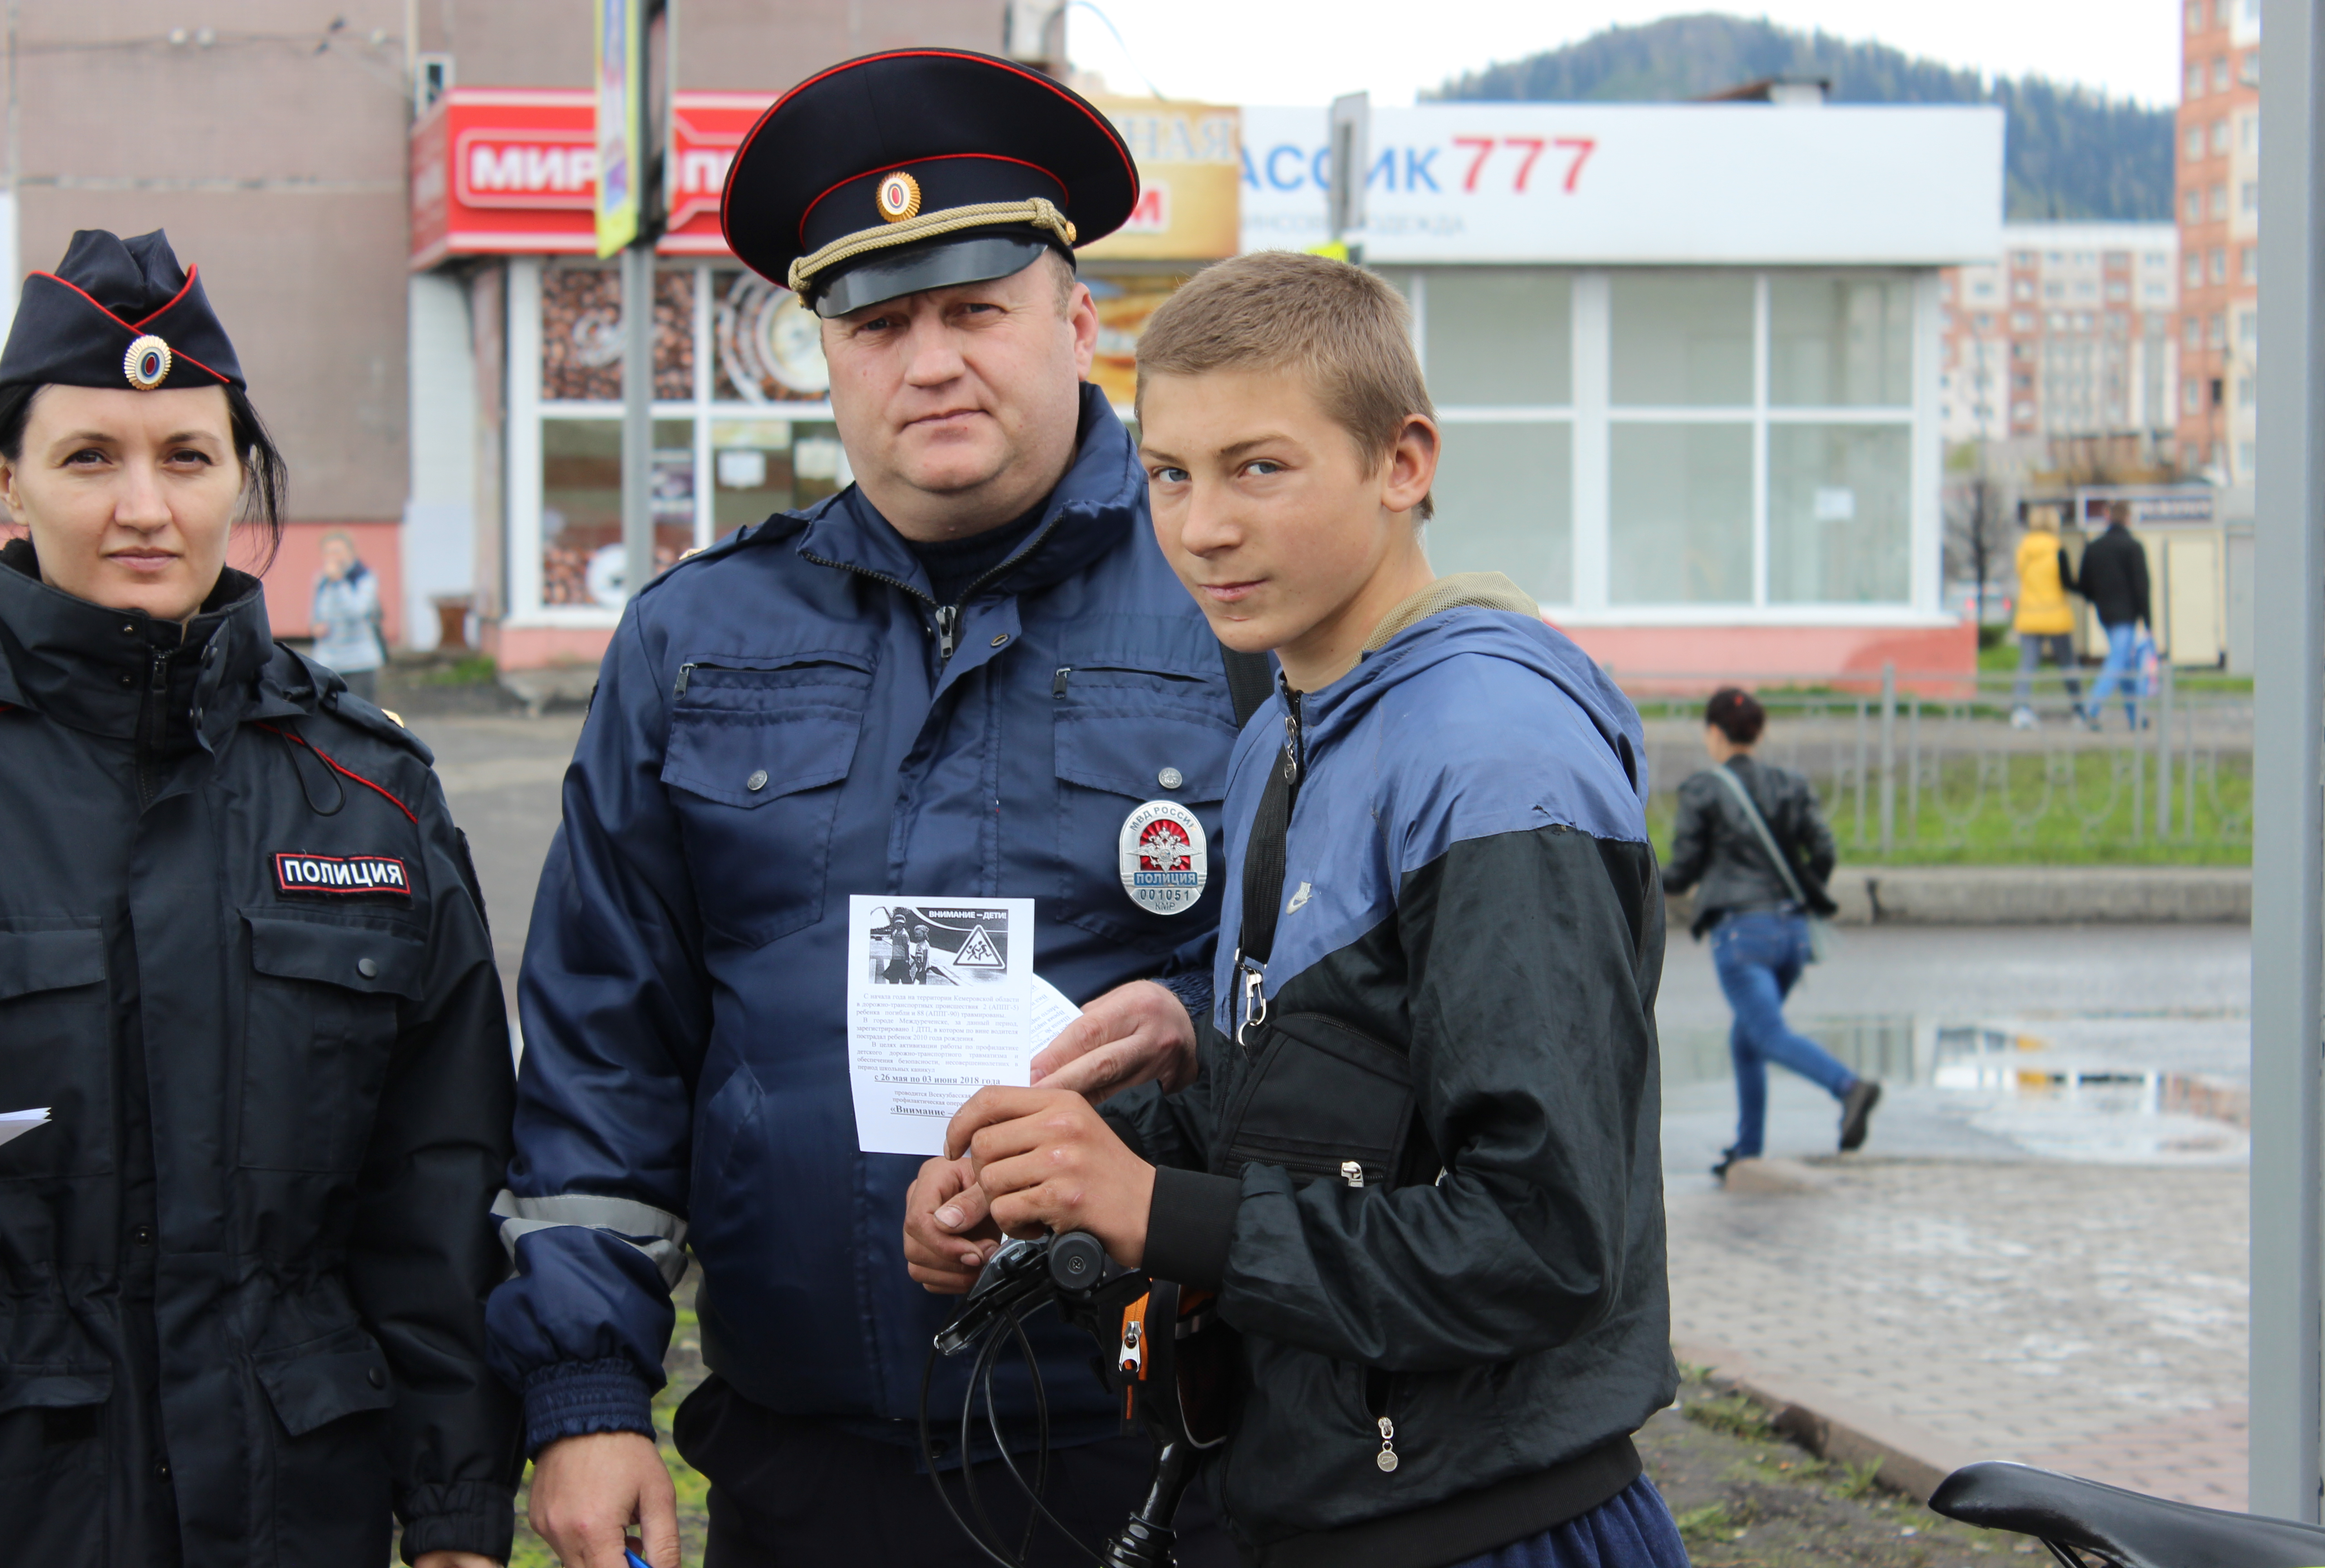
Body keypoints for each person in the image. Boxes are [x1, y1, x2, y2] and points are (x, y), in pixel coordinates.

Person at [487, 51, 1253, 1568]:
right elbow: (602, 1049)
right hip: (801, 1474)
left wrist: (1190, 1052)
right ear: (820, 351)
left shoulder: (1235, 605)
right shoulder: (695, 639)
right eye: (880, 321)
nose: (931, 362)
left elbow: (1371, 1001)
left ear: (1079, 321)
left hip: (1157, 1461)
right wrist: (584, 1390)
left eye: (976, 310)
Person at [915, 251, 1692, 1568]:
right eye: (1169, 473)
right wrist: (1059, 1175)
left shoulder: (1495, 755)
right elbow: (1355, 1107)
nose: (1203, 527)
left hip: (1494, 1528)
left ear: (1404, 463)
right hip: (1330, 1509)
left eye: (1260, 468)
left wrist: (1158, 1209)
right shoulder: (1287, 718)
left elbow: (1544, 1242)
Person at [0, 230, 519, 1564]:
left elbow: (437, 1191)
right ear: (7, 476)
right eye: (89, 457)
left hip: (295, 1504)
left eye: (187, 456)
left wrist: (452, 1508)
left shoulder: (370, 794)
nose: (142, 508)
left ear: (242, 475)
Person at [1659, 688, 1880, 1179]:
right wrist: (1803, 889)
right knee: (1748, 1039)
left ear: (1715, 733)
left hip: (1742, 937)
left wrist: (1638, 874)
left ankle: (1849, 1088)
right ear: (1758, 733)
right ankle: (1748, 1150)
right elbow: (1823, 852)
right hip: (1793, 935)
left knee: (1768, 1033)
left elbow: (1681, 873)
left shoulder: (1704, 790)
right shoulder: (1790, 784)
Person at [2076, 500, 2152, 731]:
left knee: (2126, 664)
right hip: (2127, 616)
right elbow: (2142, 586)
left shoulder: (2094, 547)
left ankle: (2135, 718)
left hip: (2105, 615)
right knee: (2119, 661)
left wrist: (2097, 600)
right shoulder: (2133, 547)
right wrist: (2148, 621)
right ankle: (2091, 709)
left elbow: (2084, 583)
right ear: (2128, 518)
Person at [2009, 502, 2081, 729]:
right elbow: (2067, 582)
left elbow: (2022, 576)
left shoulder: (2023, 550)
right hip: (2055, 614)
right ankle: (2079, 710)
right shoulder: (2057, 549)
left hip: (2029, 614)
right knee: (2067, 664)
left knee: (2028, 665)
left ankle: (2020, 710)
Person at [310, 527, 387, 702]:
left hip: (359, 662)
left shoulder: (364, 578)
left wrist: (339, 582)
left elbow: (357, 612)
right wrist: (317, 626)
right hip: (328, 662)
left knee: (360, 714)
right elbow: (316, 613)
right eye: (328, 553)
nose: (333, 558)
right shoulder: (321, 580)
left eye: (338, 552)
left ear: (351, 553)